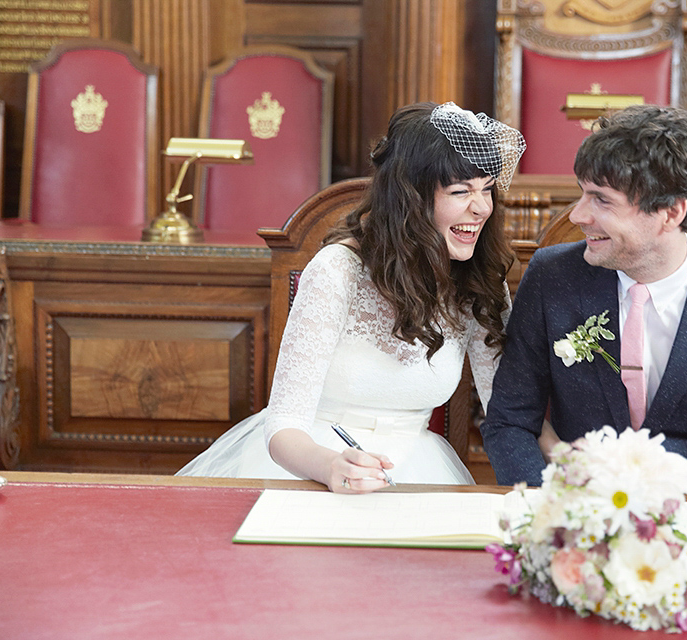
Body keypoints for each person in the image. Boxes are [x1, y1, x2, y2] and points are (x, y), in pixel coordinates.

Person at [178, 101, 527, 492]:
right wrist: (329, 466)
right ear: (409, 198)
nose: (481, 208)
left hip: (418, 470)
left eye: (487, 190)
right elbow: (283, 426)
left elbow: (508, 409)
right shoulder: (337, 270)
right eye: (461, 191)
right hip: (313, 466)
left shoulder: (481, 282)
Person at [480, 104, 687, 493]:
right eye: (582, 194)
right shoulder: (552, 277)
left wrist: (670, 539)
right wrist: (553, 515)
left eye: (602, 200)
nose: (577, 215)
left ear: (670, 213)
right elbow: (510, 420)